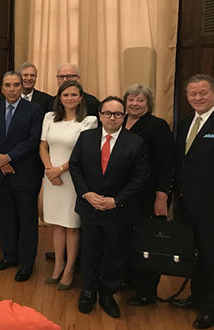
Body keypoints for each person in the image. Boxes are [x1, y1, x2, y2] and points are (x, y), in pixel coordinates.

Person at [69, 96, 149, 318]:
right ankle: (88, 290)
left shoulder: (135, 142)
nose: (112, 118)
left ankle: (107, 293)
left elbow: (141, 177)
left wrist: (117, 200)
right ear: (100, 115)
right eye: (107, 113)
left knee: (115, 253)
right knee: (90, 250)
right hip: (90, 206)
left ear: (124, 116)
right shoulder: (86, 138)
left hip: (118, 210)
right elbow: (75, 167)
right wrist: (86, 193)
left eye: (117, 114)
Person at [0, 71, 44, 282]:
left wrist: (8, 157)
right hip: (0, 174)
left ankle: (26, 263)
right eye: (8, 85)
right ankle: (9, 256)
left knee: (27, 222)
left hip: (24, 174)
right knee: (6, 219)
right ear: (2, 88)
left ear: (21, 87)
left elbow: (33, 140)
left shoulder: (34, 110)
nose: (12, 89)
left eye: (16, 85)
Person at [120, 84, 174, 307]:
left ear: (148, 104)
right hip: (125, 193)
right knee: (127, 239)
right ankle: (130, 279)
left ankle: (147, 291)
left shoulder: (157, 126)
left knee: (147, 241)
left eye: (140, 100)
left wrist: (162, 196)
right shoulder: (120, 121)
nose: (134, 104)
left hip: (149, 194)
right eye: (131, 99)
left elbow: (167, 163)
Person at [40, 81, 97, 289]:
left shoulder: (88, 121)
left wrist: (60, 170)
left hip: (73, 179)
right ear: (60, 98)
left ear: (81, 97)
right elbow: (43, 146)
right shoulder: (49, 118)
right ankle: (58, 265)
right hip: (51, 177)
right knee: (56, 224)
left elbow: (83, 153)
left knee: (72, 226)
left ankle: (70, 269)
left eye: (74, 95)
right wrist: (49, 170)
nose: (70, 98)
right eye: (65, 95)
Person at [170, 74, 214, 329]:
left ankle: (209, 308)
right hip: (186, 204)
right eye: (192, 94)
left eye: (203, 93)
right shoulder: (186, 123)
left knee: (211, 257)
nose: (198, 98)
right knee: (194, 255)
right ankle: (196, 297)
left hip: (210, 207)